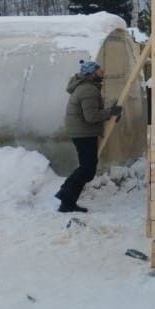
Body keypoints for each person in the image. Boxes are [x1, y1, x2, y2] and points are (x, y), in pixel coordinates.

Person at [55, 59, 121, 213]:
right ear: (91, 73)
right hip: (83, 133)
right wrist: (110, 112)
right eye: (99, 70)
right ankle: (66, 199)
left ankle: (66, 197)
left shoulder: (86, 87)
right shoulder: (88, 90)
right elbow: (91, 116)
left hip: (82, 132)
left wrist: (109, 113)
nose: (103, 72)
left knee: (86, 168)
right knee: (87, 169)